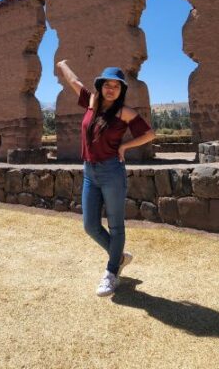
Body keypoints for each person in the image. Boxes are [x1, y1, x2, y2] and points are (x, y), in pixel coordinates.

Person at [56, 60, 156, 297]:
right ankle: (119, 257)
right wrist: (62, 65)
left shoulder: (124, 112)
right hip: (89, 171)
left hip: (112, 171)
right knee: (90, 225)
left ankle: (111, 272)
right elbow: (73, 81)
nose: (111, 89)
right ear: (100, 86)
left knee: (115, 225)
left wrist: (125, 146)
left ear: (121, 90)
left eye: (117, 86)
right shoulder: (91, 103)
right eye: (107, 84)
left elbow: (149, 134)